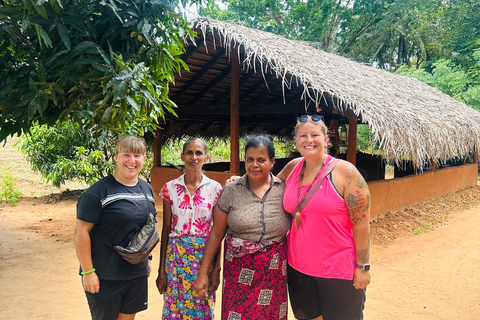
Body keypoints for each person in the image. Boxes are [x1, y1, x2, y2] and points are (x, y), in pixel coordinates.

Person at [277, 114, 371, 320]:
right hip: (298, 268)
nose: (308, 140)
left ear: (326, 139)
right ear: (296, 140)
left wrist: (363, 266)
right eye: (303, 136)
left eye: (314, 135)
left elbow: (361, 225)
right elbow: (267, 187)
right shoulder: (292, 168)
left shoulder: (346, 173)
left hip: (338, 271)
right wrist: (241, 180)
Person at [193, 134, 292, 320]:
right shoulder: (231, 190)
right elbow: (216, 233)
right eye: (250, 159)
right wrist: (203, 272)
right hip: (238, 274)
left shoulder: (284, 189)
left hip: (273, 274)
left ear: (272, 162)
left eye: (261, 160)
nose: (255, 164)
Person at [74, 136, 156, 320]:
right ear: (116, 158)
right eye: (126, 154)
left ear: (143, 158)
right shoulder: (98, 193)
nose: (132, 161)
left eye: (137, 155)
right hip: (106, 275)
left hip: (135, 273)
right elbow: (81, 233)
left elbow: (147, 226)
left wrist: (147, 257)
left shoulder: (146, 189)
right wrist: (88, 272)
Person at [156, 137, 222, 320]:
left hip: (204, 258)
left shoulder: (215, 189)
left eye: (198, 153)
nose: (194, 157)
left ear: (206, 157)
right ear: (182, 156)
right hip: (175, 258)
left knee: (203, 307)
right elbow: (166, 229)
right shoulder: (170, 188)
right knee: (174, 309)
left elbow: (218, 231)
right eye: (189, 153)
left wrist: (216, 269)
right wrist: (161, 270)